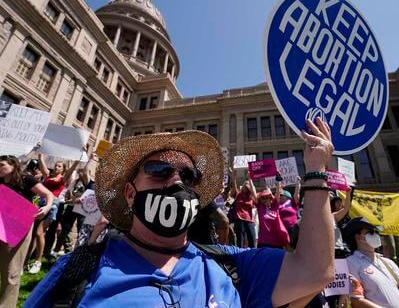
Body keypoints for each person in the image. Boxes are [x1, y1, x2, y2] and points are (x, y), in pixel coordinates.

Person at [25, 118, 336, 307]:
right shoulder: (75, 273)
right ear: (131, 193)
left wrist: (316, 171)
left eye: (188, 177)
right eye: (160, 171)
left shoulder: (231, 267)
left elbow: (315, 271)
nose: (176, 181)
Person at [0, 155, 54, 307]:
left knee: (11, 271)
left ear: (13, 166)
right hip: (0, 223)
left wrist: (46, 207)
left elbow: (48, 194)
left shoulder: (26, 179)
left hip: (18, 226)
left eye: (1, 165)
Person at [344, 217, 399, 308]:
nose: (377, 235)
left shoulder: (388, 262)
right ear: (358, 237)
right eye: (371, 232)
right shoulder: (350, 262)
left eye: (377, 232)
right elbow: (356, 300)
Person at [230, 167, 257, 248]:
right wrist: (234, 176)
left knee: (252, 240)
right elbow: (234, 186)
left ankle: (253, 255)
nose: (246, 185)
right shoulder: (238, 194)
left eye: (247, 184)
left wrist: (250, 180)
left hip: (249, 220)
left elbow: (254, 192)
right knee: (240, 241)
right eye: (245, 184)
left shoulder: (251, 197)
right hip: (239, 220)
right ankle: (240, 256)